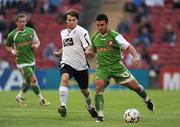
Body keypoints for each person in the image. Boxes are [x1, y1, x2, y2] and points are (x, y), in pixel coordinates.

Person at [86, 14, 155, 122]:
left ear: (107, 23)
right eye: (98, 25)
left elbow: (129, 47)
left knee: (136, 87)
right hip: (102, 68)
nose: (100, 27)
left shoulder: (115, 35)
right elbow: (93, 51)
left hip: (117, 67)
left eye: (102, 25)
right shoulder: (95, 36)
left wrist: (136, 57)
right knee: (98, 87)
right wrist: (89, 53)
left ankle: (147, 100)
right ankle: (100, 116)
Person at [53, 9, 97, 118]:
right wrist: (59, 52)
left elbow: (88, 46)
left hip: (81, 65)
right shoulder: (63, 32)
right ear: (66, 21)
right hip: (67, 62)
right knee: (64, 78)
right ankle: (63, 106)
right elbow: (66, 45)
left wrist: (88, 51)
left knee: (85, 91)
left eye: (73, 20)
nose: (71, 22)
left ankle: (90, 106)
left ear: (77, 20)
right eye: (69, 20)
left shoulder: (82, 31)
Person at [6, 13, 50, 106]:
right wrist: (13, 51)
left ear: (26, 22)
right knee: (34, 80)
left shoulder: (31, 31)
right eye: (20, 22)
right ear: (16, 23)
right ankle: (41, 100)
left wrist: (36, 45)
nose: (22, 23)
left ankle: (19, 96)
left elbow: (37, 41)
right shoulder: (12, 35)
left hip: (31, 60)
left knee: (28, 81)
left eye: (24, 21)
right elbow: (7, 46)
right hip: (21, 62)